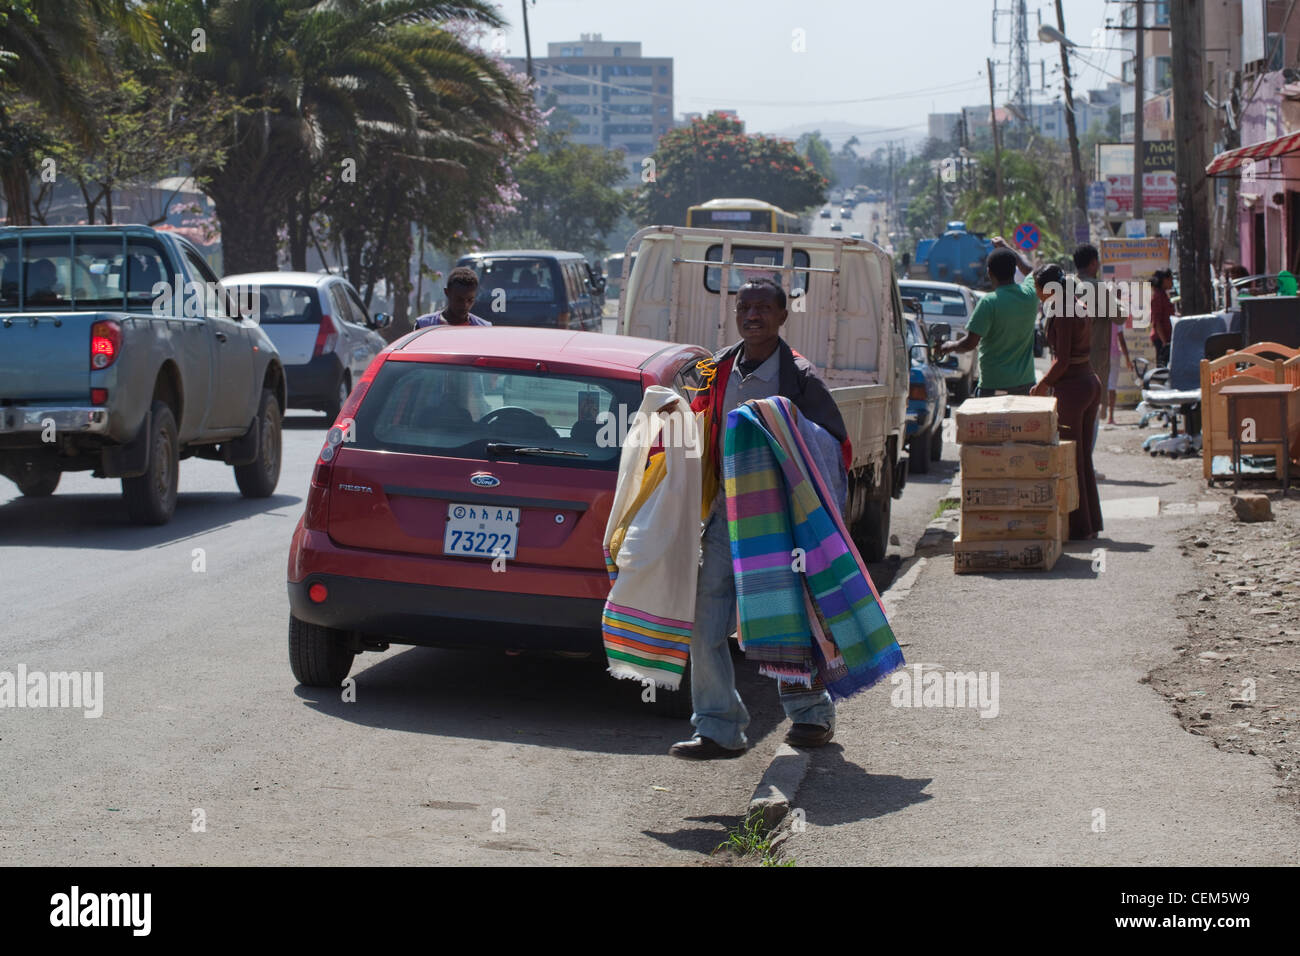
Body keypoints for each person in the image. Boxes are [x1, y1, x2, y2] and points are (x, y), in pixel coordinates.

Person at [670, 277, 849, 760]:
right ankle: (717, 727)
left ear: (782, 315)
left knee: (787, 620)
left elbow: (834, 446)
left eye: (763, 308)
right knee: (706, 621)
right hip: (725, 518)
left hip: (780, 524)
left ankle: (812, 717)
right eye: (744, 307)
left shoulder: (801, 377)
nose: (752, 315)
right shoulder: (720, 367)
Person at [1028, 265, 1103, 540]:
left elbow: (1063, 359)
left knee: (1071, 459)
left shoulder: (1062, 309)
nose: (1037, 294)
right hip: (1088, 383)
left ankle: (1079, 527)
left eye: (1038, 288)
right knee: (1082, 457)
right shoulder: (1075, 304)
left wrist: (1043, 384)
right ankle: (1089, 524)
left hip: (1073, 387)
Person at [937, 242, 1038, 397]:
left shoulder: (989, 302)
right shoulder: (1030, 295)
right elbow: (1033, 270)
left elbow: (970, 343)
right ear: (1014, 270)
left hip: (994, 385)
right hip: (1026, 384)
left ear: (989, 273)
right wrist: (1007, 248)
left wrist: (950, 346)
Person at [1072, 243, 1126, 456]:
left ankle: (1077, 462)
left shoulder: (1067, 286)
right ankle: (1086, 464)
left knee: (1074, 412)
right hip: (1094, 359)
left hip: (1069, 360)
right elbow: (1119, 315)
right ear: (1093, 263)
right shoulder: (1097, 288)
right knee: (1091, 413)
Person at [413, 266, 492, 328]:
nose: (465, 305)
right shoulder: (424, 325)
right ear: (447, 293)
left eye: (470, 300)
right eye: (459, 299)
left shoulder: (483, 328)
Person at [1105, 313, 1134, 425]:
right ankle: (1111, 417)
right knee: (1112, 386)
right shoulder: (1116, 320)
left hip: (1101, 354)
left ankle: (1097, 413)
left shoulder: (1097, 319)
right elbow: (1121, 340)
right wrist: (1127, 358)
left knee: (1099, 384)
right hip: (1114, 355)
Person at [1148, 268, 1176, 368]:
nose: (1172, 282)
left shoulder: (1163, 295)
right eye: (1171, 279)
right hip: (1161, 340)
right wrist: (1165, 343)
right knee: (1162, 369)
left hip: (1167, 338)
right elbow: (1157, 322)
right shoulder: (1158, 297)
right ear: (1164, 280)